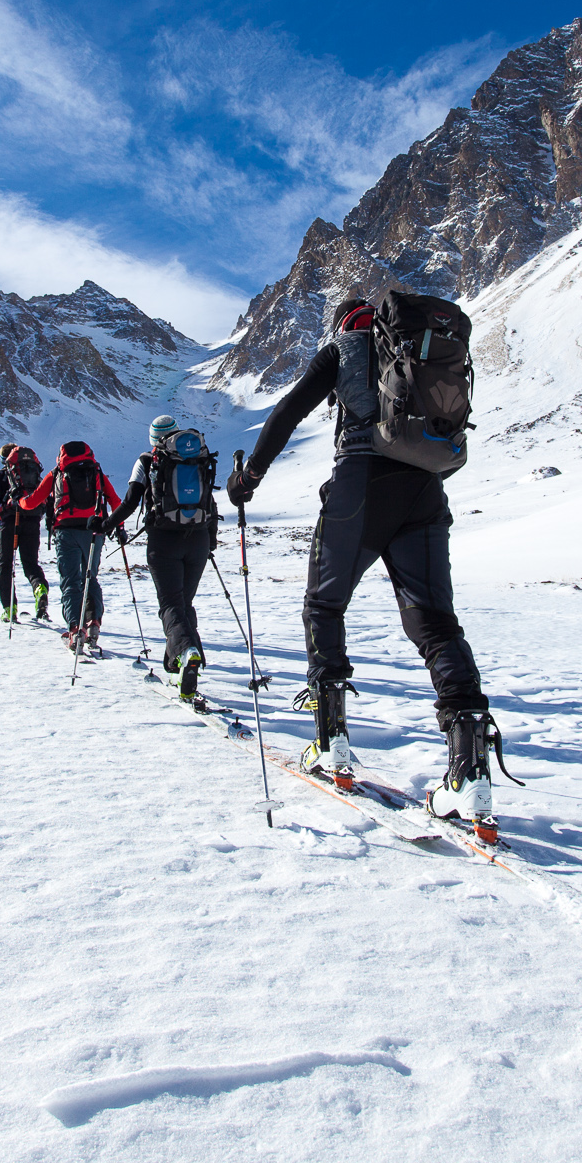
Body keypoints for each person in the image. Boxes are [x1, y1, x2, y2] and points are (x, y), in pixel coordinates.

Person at [225, 297, 503, 839]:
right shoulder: (418, 352)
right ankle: (469, 770)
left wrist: (249, 478)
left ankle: (331, 741)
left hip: (359, 487)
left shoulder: (345, 348)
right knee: (437, 625)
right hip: (425, 490)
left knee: (324, 605)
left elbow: (286, 412)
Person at [103, 415, 220, 700]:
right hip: (199, 539)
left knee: (170, 604)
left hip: (163, 540)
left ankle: (186, 652)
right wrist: (211, 541)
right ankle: (175, 663)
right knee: (184, 603)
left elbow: (131, 500)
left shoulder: (147, 461)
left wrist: (106, 524)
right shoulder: (197, 456)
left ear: (154, 439)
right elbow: (211, 501)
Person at [18, 439, 120, 650]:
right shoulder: (96, 471)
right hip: (94, 531)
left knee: (71, 581)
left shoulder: (58, 472)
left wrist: (18, 500)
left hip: (66, 532)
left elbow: (32, 502)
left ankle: (75, 629)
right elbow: (115, 501)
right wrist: (116, 526)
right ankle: (94, 624)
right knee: (90, 577)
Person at [0, 443, 48, 623]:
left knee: (5, 565)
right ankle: (40, 590)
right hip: (32, 521)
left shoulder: (0, 476)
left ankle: (9, 608)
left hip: (9, 522)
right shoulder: (33, 476)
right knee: (31, 564)